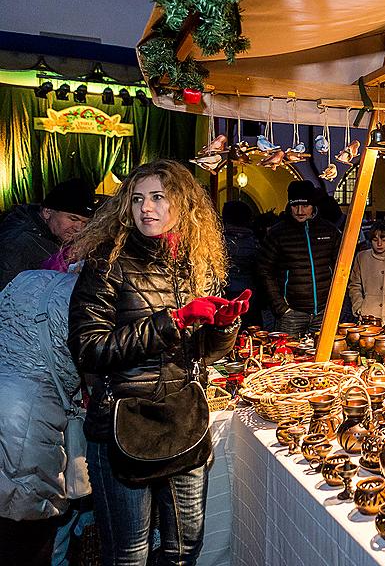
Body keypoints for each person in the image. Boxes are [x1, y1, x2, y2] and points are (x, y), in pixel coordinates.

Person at [67, 160, 244, 566]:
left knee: (184, 549)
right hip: (123, 426)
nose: (146, 208)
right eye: (138, 198)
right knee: (129, 555)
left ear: (183, 204)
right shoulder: (107, 262)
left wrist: (223, 326)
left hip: (183, 424)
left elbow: (205, 355)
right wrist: (174, 321)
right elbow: (88, 349)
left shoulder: (194, 266)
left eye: (158, 197)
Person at [0, 270, 80, 566]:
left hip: (13, 402)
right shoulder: (84, 297)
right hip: (32, 420)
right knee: (26, 530)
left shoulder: (26, 278)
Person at [258, 180, 341, 337]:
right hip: (292, 314)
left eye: (305, 205)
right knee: (286, 357)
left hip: (324, 312)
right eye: (295, 205)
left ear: (313, 206)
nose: (300, 211)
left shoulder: (329, 231)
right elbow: (264, 270)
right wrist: (281, 308)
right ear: (289, 205)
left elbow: (341, 268)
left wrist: (335, 303)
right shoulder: (277, 233)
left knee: (322, 360)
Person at [0, 178, 96, 289]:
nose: (79, 228)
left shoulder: (57, 235)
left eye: (85, 223)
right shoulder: (16, 244)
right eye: (73, 219)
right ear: (47, 212)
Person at [222, 200, 262, 325]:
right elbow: (260, 269)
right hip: (250, 293)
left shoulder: (219, 241)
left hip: (225, 292)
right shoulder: (255, 241)